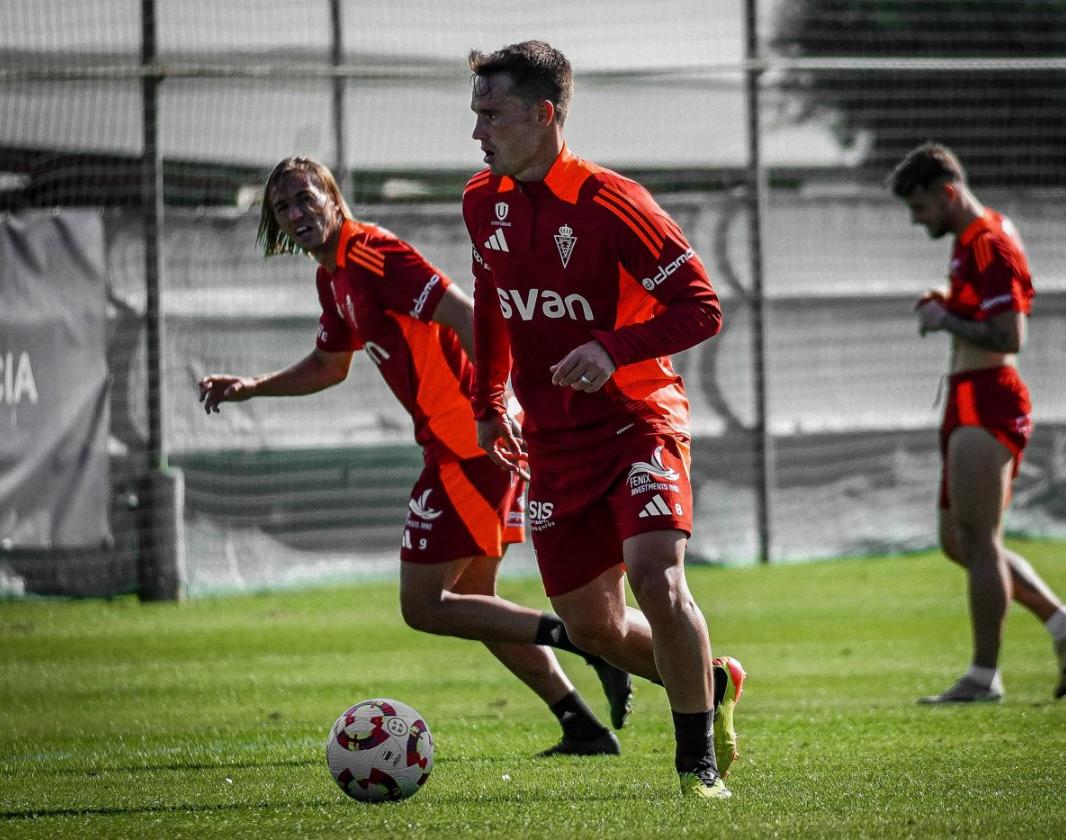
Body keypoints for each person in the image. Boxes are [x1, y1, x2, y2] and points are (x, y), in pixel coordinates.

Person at [198, 156, 632, 755]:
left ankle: (583, 641)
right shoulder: (334, 277)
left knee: (424, 606)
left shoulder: (374, 252)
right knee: (477, 604)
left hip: (468, 445)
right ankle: (580, 725)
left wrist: (494, 405)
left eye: (305, 198)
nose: (297, 213)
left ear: (333, 197)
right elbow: (330, 366)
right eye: (282, 207)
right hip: (458, 445)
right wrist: (252, 386)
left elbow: (469, 315)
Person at [462, 41, 744, 799]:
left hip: (639, 423)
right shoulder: (479, 201)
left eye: (491, 114)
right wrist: (491, 404)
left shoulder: (613, 203)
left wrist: (612, 349)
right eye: (475, 114)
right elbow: (491, 302)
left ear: (542, 113)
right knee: (592, 627)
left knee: (657, 576)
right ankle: (710, 681)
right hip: (555, 443)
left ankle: (698, 768)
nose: (478, 131)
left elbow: (702, 308)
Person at [888, 142, 1066, 704]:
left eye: (920, 207)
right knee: (957, 541)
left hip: (989, 397)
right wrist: (948, 300)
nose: (916, 219)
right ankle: (1063, 625)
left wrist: (944, 317)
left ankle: (984, 677)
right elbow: (977, 311)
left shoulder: (991, 242)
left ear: (948, 193)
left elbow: (1010, 337)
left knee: (980, 540)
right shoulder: (970, 242)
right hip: (965, 399)